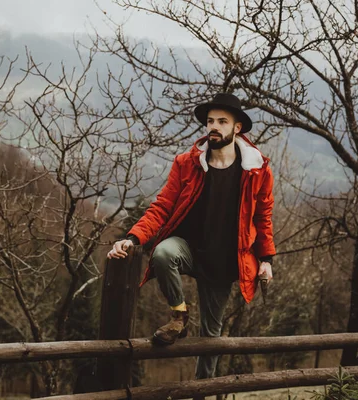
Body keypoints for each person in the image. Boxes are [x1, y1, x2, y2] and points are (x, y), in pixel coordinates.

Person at [107, 92, 275, 382]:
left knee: (211, 337)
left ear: (237, 128)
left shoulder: (257, 170)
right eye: (211, 121)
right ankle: (179, 316)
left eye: (223, 121)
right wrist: (132, 239)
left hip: (224, 261)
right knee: (162, 253)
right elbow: (162, 207)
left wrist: (266, 259)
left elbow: (263, 218)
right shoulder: (188, 163)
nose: (214, 126)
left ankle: (202, 389)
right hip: (189, 249)